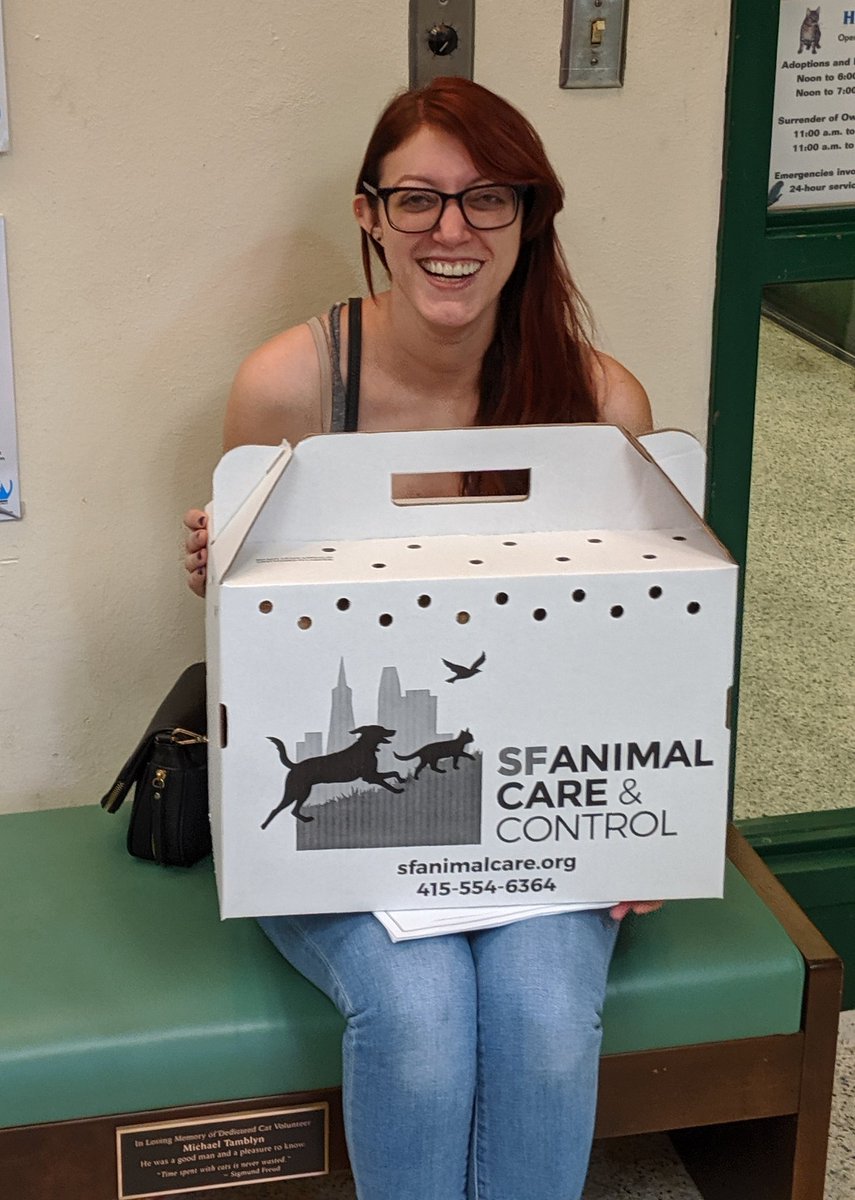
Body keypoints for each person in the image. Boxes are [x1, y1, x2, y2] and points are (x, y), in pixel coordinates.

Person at [184, 77, 661, 1200]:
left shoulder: (602, 405)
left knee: (546, 1013)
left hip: (538, 806)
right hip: (348, 823)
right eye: (417, 200)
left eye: (486, 199)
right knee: (420, 1007)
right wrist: (223, 584)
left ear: (531, 216)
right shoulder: (292, 385)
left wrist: (642, 818)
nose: (451, 232)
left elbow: (633, 641)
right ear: (368, 214)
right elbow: (253, 664)